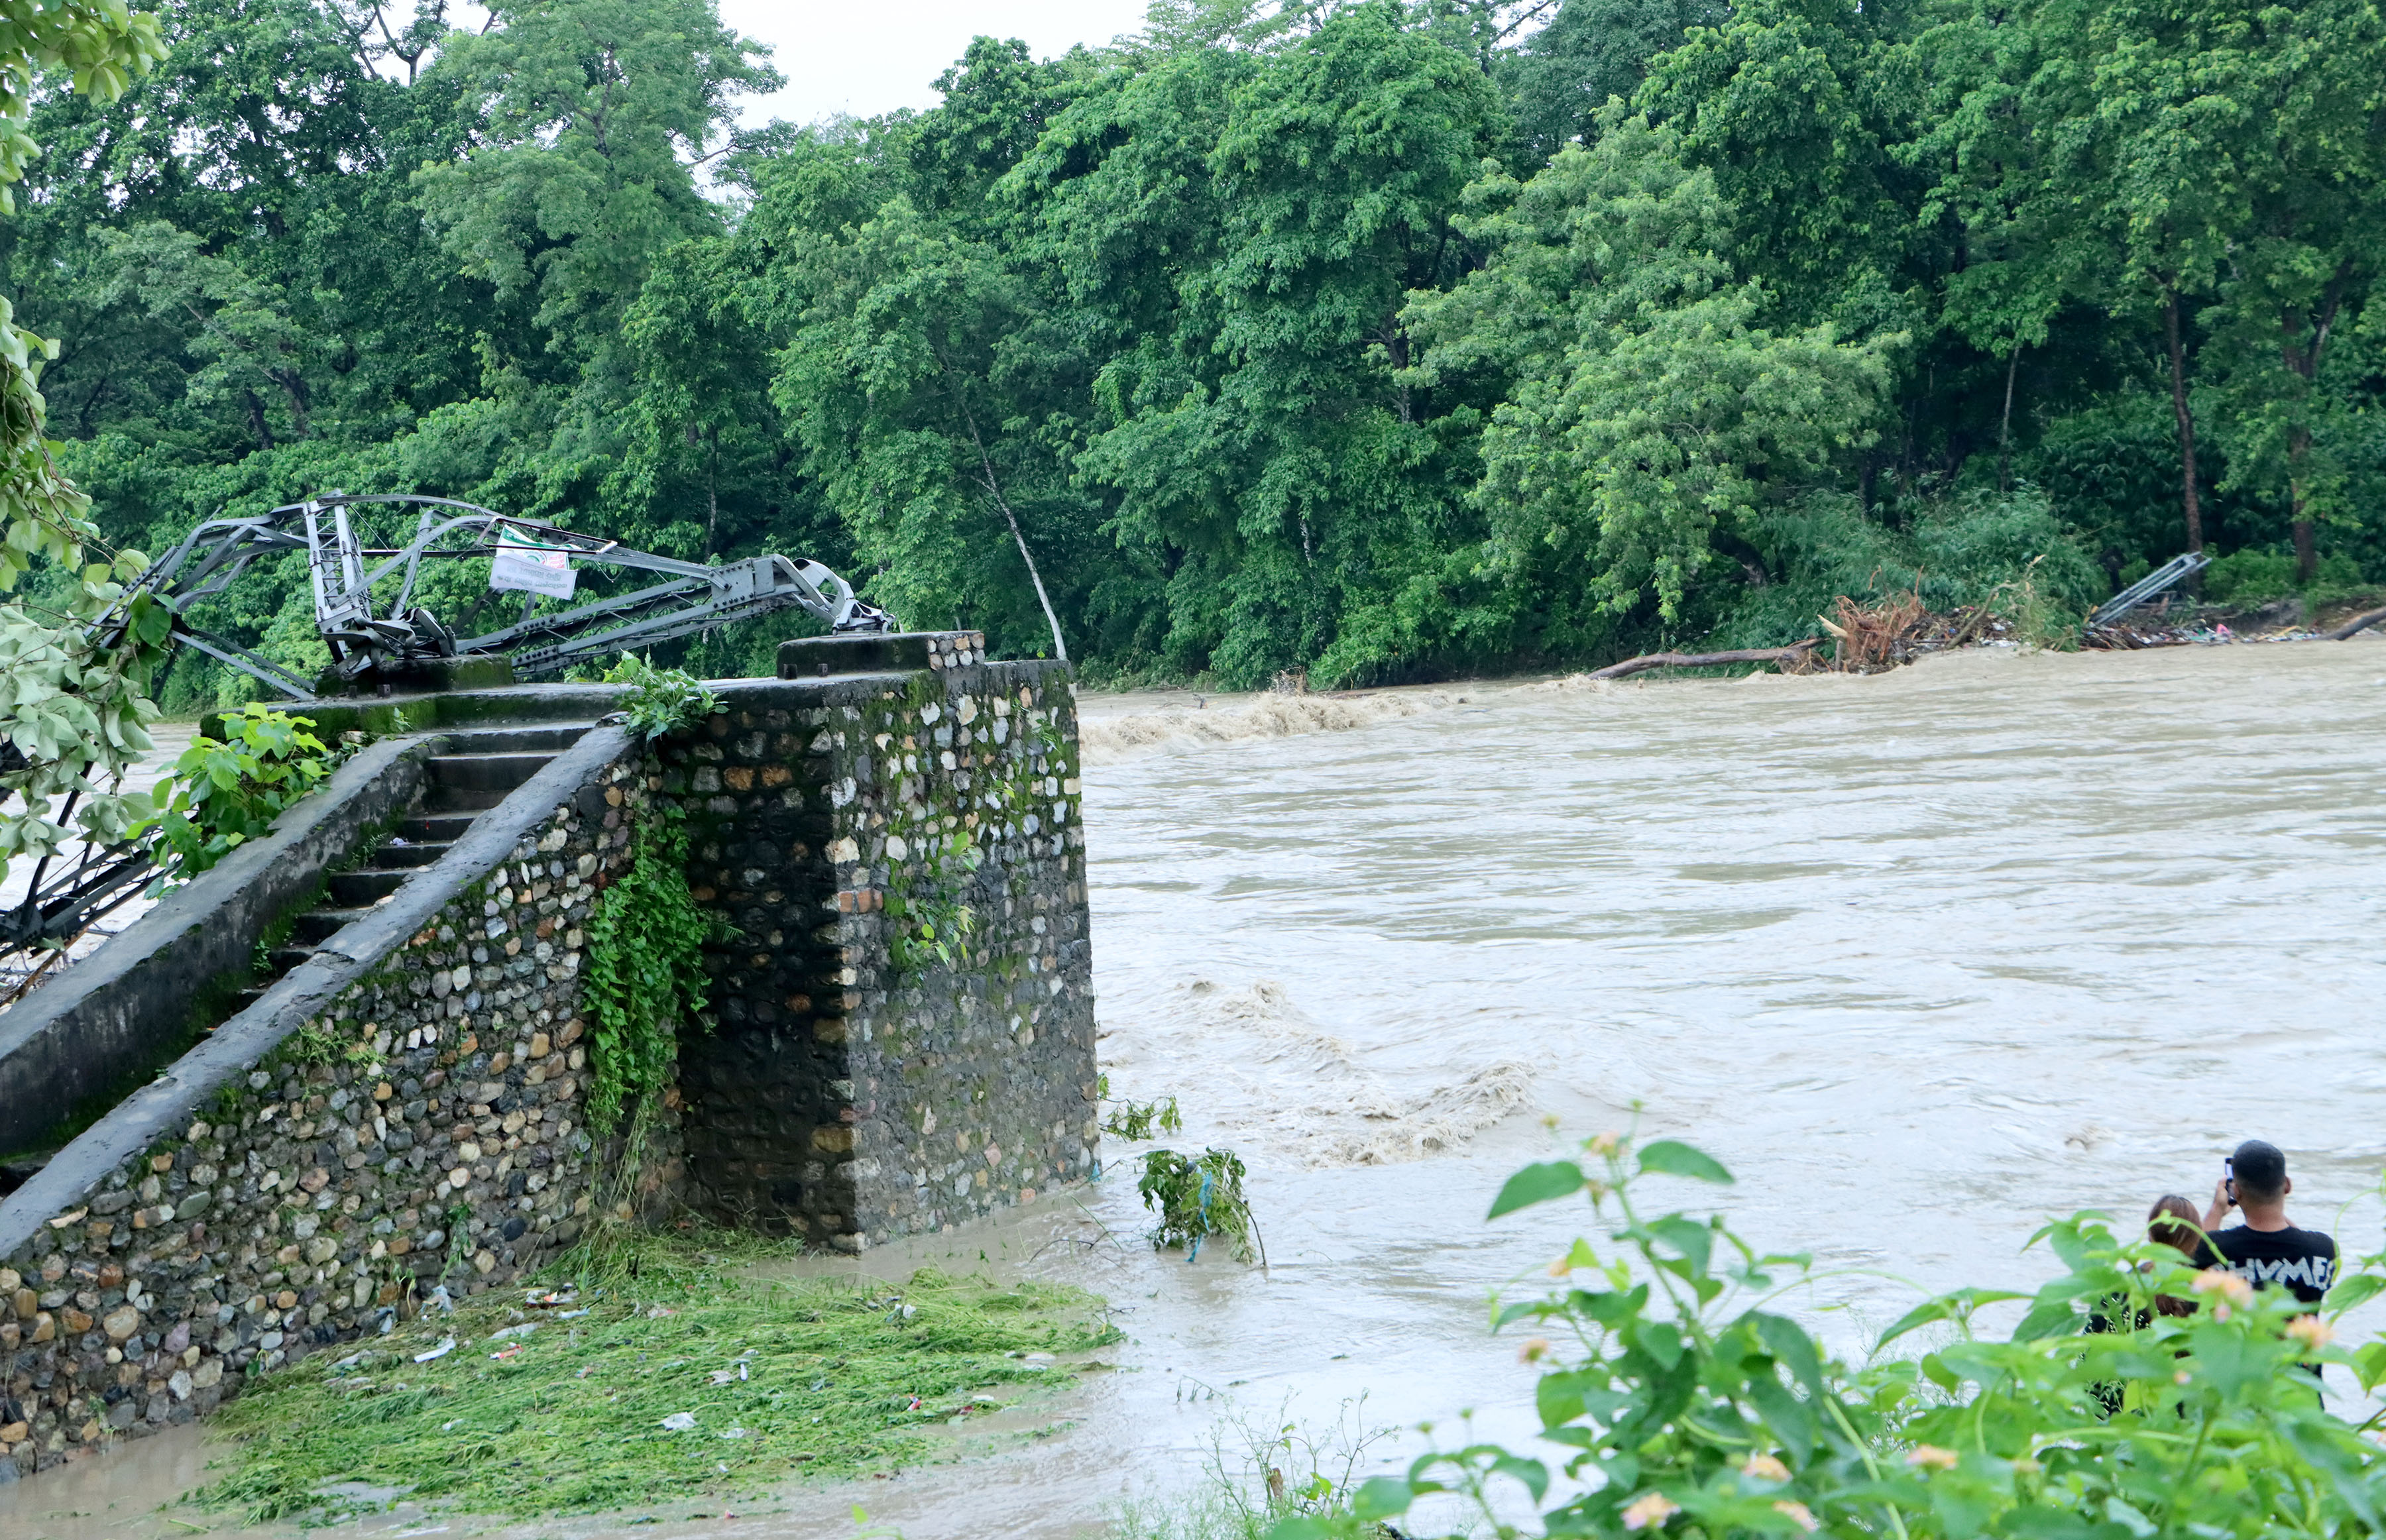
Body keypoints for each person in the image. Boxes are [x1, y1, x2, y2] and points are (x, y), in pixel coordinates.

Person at [2197, 1139, 2337, 1305]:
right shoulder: (2323, 1250)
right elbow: (2302, 1242)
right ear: (2287, 1186)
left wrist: (2217, 1210)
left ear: (2236, 1191)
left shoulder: (2213, 1248)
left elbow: (2194, 1264)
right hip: (2302, 1333)